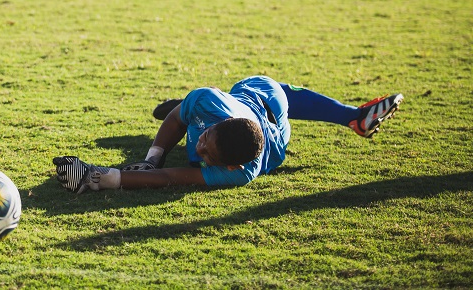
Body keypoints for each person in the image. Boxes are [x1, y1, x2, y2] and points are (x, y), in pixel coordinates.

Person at [54, 75, 403, 192]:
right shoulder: (211, 102)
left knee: (273, 97)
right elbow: (177, 119)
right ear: (216, 123)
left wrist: (103, 178)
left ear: (230, 166)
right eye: (206, 140)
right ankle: (354, 117)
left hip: (275, 137)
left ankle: (356, 118)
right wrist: (151, 158)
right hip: (257, 97)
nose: (200, 151)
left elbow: (177, 177)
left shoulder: (240, 172)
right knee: (268, 87)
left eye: (208, 155)